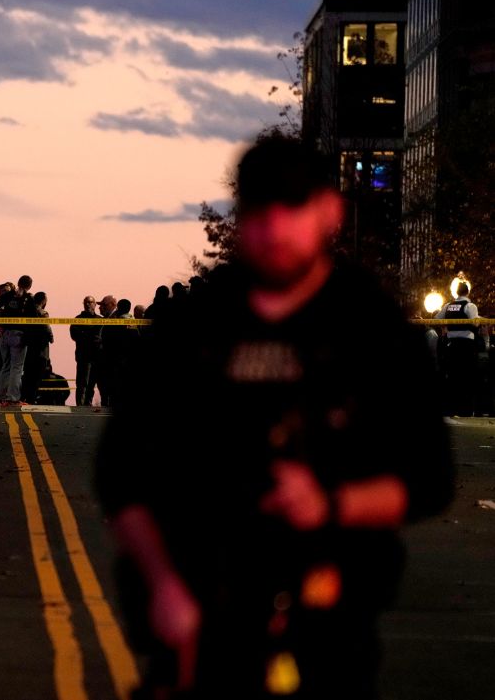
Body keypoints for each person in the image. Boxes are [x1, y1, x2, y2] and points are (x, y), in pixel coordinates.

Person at [95, 138, 454, 699]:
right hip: (199, 613)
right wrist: (163, 584)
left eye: (293, 209)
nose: (275, 229)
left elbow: (430, 479)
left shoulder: (372, 331)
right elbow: (121, 475)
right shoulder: (192, 327)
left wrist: (330, 503)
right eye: (260, 212)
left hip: (329, 621)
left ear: (328, 212)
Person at [435, 278, 484, 417]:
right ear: (468, 292)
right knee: (467, 378)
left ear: (456, 292)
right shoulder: (470, 306)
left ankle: (452, 409)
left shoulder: (448, 305)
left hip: (452, 345)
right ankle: (466, 410)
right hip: (466, 346)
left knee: (453, 377)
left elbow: (436, 318)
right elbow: (475, 323)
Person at [21, 291, 54, 404]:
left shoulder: (27, 312)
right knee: (36, 376)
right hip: (40, 348)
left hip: (28, 348)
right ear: (43, 301)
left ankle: (23, 397)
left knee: (27, 374)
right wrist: (51, 337)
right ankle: (31, 398)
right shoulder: (43, 313)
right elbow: (46, 327)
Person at [70, 296, 102, 406]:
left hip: (96, 356)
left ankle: (88, 404)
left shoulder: (100, 320)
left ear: (95, 304)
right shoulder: (77, 319)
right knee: (82, 382)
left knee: (92, 383)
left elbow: (101, 337)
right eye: (85, 302)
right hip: (83, 356)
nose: (87, 304)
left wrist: (87, 335)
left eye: (90, 302)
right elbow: (74, 335)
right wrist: (91, 336)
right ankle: (80, 405)